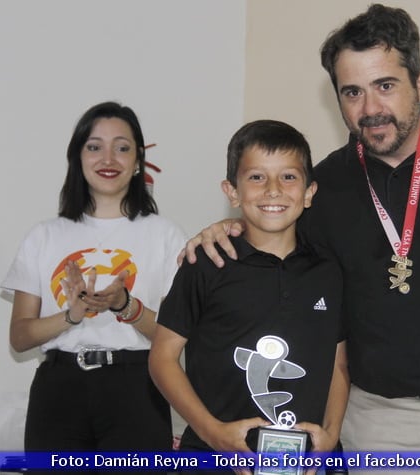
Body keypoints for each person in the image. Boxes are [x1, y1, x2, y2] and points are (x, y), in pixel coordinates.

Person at [184, 4, 420, 472]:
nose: (370, 109)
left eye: (385, 86)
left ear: (419, 83)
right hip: (378, 424)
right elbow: (272, 227)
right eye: (352, 93)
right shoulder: (322, 185)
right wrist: (228, 227)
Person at [149, 120, 348, 475]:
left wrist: (330, 436)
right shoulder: (205, 263)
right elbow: (162, 358)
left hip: (307, 462)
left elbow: (338, 364)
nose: (273, 190)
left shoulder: (329, 270)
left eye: (289, 177)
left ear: (309, 191)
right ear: (232, 191)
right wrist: (214, 434)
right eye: (257, 177)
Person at [1, 101, 186, 474]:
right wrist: (71, 316)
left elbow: (175, 337)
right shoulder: (44, 236)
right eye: (94, 146)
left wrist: (125, 306)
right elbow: (20, 337)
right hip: (59, 388)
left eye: (122, 147)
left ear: (138, 161)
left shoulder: (165, 235)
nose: (108, 158)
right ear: (78, 157)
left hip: (137, 386)